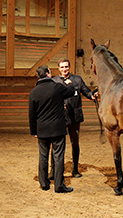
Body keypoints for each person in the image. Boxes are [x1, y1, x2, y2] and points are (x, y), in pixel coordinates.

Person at [28, 65, 75, 193]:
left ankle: (44, 184)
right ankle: (59, 185)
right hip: (57, 129)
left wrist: (34, 131)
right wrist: (69, 83)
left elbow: (32, 114)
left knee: (43, 156)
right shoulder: (57, 88)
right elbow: (71, 91)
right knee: (58, 157)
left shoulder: (33, 92)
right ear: (48, 74)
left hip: (42, 129)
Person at [50, 58, 98, 178]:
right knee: (56, 144)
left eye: (66, 67)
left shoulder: (77, 79)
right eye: (62, 67)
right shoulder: (54, 81)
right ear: (58, 68)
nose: (64, 69)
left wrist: (92, 96)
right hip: (59, 116)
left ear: (69, 67)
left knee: (75, 142)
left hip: (74, 116)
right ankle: (53, 170)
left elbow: (86, 91)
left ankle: (75, 169)